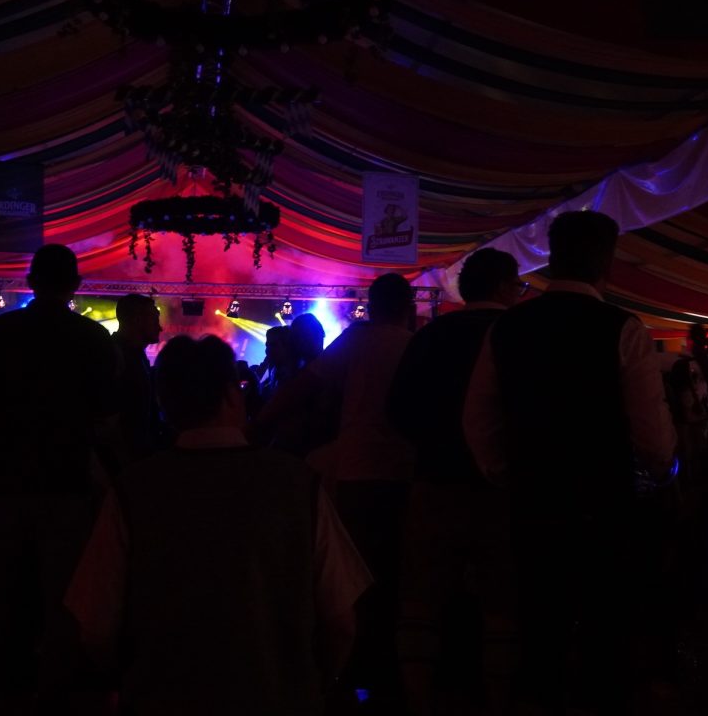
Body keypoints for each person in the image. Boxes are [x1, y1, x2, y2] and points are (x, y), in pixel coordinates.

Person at [65, 335, 371, 716]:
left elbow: (94, 627)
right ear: (232, 395)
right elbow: (342, 621)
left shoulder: (133, 490)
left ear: (164, 403)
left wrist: (132, 678)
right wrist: (314, 681)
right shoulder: (298, 484)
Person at [463, 210, 676, 714]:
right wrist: (663, 471)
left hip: (534, 502)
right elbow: (652, 433)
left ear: (552, 258)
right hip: (604, 505)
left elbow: (478, 417)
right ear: (606, 261)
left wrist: (507, 473)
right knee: (605, 633)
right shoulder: (623, 329)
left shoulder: (509, 327)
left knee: (541, 629)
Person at [0, 244, 118, 706]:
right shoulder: (92, 338)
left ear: (29, 281)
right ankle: (54, 695)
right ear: (75, 285)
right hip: (65, 481)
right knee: (62, 597)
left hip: (0, 479)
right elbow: (106, 413)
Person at [255, 272, 417, 705]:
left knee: (354, 575)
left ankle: (352, 666)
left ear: (372, 305)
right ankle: (388, 676)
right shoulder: (414, 344)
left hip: (357, 472)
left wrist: (258, 424)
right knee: (394, 576)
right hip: (406, 473)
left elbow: (303, 387)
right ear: (409, 307)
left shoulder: (358, 340)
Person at [386, 248, 525, 715]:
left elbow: (398, 410)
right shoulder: (516, 335)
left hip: (435, 482)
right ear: (503, 286)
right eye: (518, 285)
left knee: (422, 598)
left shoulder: (431, 335)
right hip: (501, 490)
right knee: (501, 601)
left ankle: (419, 699)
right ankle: (498, 700)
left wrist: (432, 444)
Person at [112, 294, 163, 464]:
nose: (160, 328)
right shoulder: (112, 356)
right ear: (137, 320)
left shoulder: (136, 356)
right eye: (155, 320)